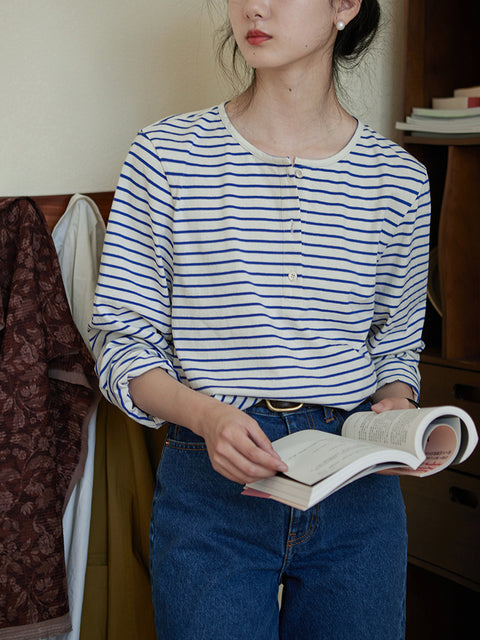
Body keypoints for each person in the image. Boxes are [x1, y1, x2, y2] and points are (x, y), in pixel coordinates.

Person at [89, 1, 431, 638]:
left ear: (344, 6)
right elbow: (121, 344)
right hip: (209, 479)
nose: (254, 5)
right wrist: (207, 416)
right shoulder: (166, 156)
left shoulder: (399, 180)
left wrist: (396, 402)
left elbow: (397, 340)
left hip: (355, 482)